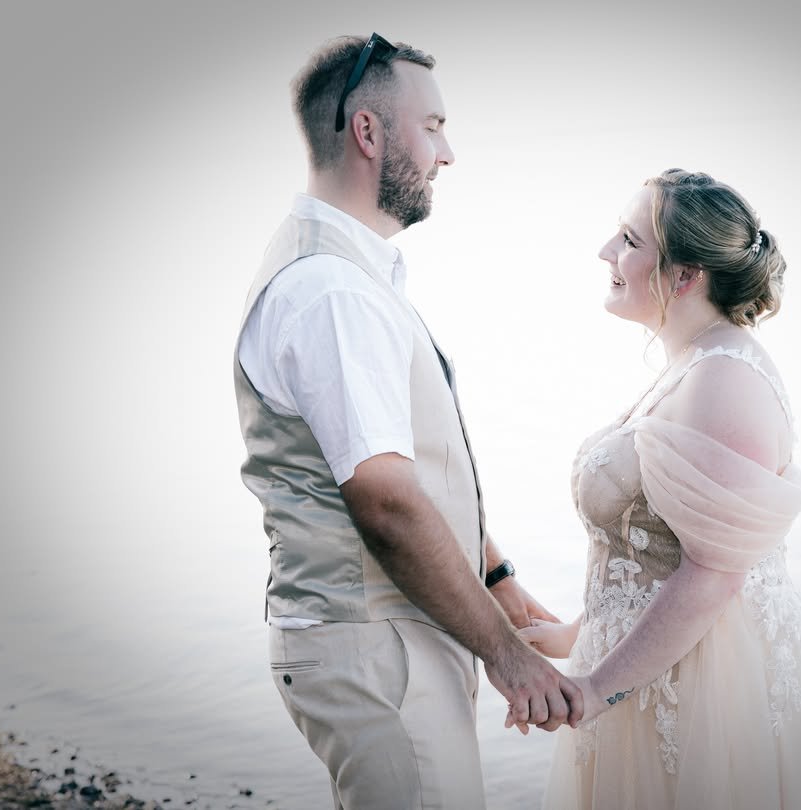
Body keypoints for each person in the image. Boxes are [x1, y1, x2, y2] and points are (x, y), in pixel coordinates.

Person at [232, 34, 581, 809]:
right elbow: (386, 501)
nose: (447, 153)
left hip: (390, 633)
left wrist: (499, 584)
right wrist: (508, 655)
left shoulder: (344, 275)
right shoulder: (334, 293)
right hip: (372, 641)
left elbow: (414, 467)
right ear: (367, 132)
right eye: (432, 127)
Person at [516, 169, 801, 808]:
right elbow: (656, 547)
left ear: (684, 275)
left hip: (712, 694)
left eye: (628, 239)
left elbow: (710, 575)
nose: (605, 253)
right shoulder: (692, 364)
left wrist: (595, 689)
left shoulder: (724, 378)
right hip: (653, 675)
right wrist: (575, 635)